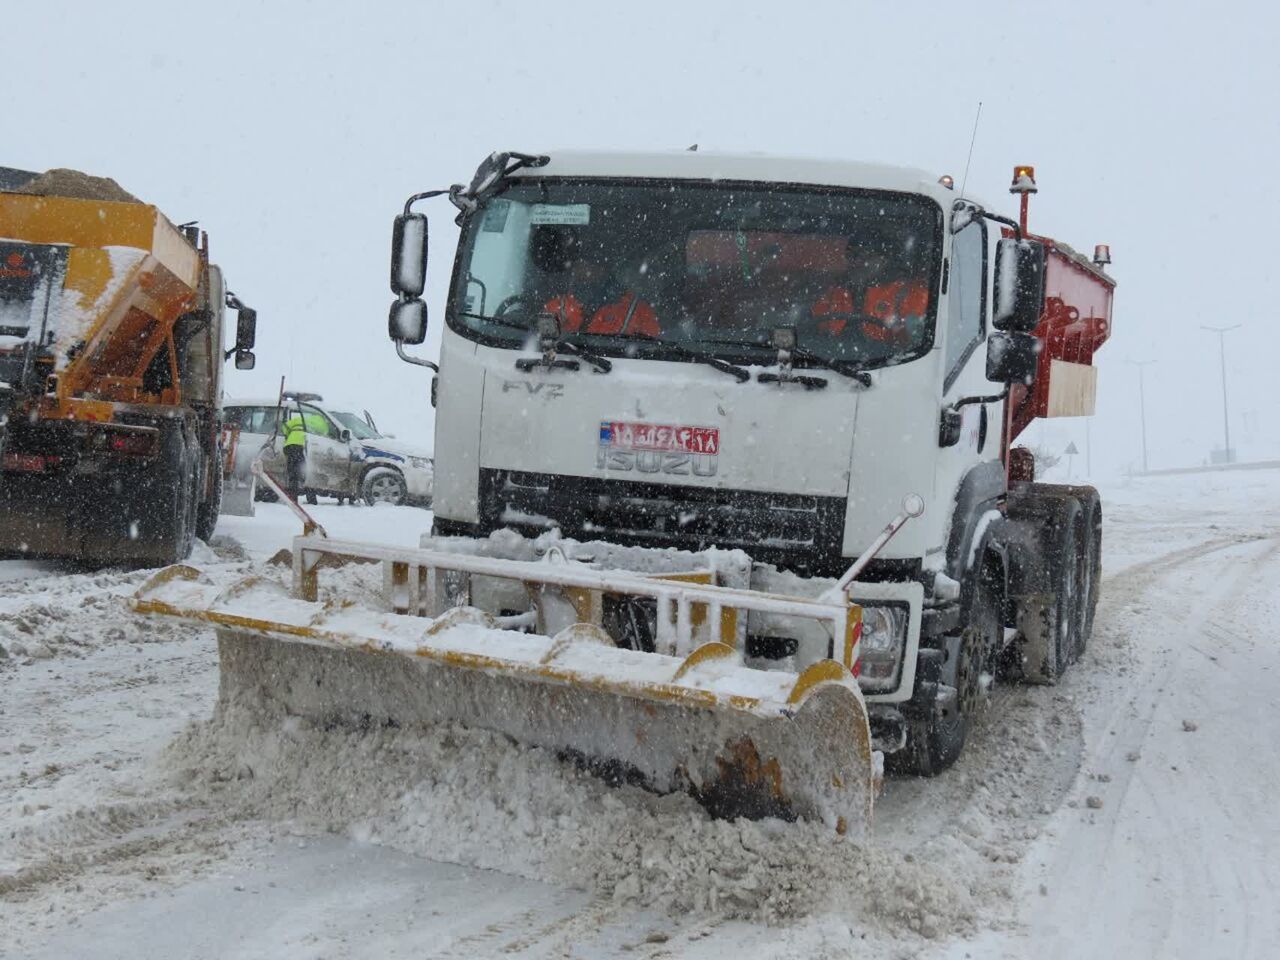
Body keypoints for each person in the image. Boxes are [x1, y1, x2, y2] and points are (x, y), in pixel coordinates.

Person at [532, 226, 661, 337]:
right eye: (578, 263)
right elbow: (540, 347)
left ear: (605, 268)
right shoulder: (556, 307)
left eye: (589, 263)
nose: (581, 269)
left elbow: (651, 356)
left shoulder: (639, 311)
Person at [812, 241, 929, 345]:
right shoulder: (835, 291)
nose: (857, 262)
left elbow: (915, 342)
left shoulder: (911, 294)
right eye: (852, 256)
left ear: (883, 260)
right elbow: (811, 329)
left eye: (864, 256)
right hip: (831, 361)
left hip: (889, 365)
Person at [281, 407, 317, 505]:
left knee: (292, 474)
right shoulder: (310, 423)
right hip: (301, 448)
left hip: (290, 446)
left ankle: (293, 497)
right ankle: (311, 499)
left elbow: (284, 429)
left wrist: (289, 434)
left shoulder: (295, 421)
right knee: (306, 473)